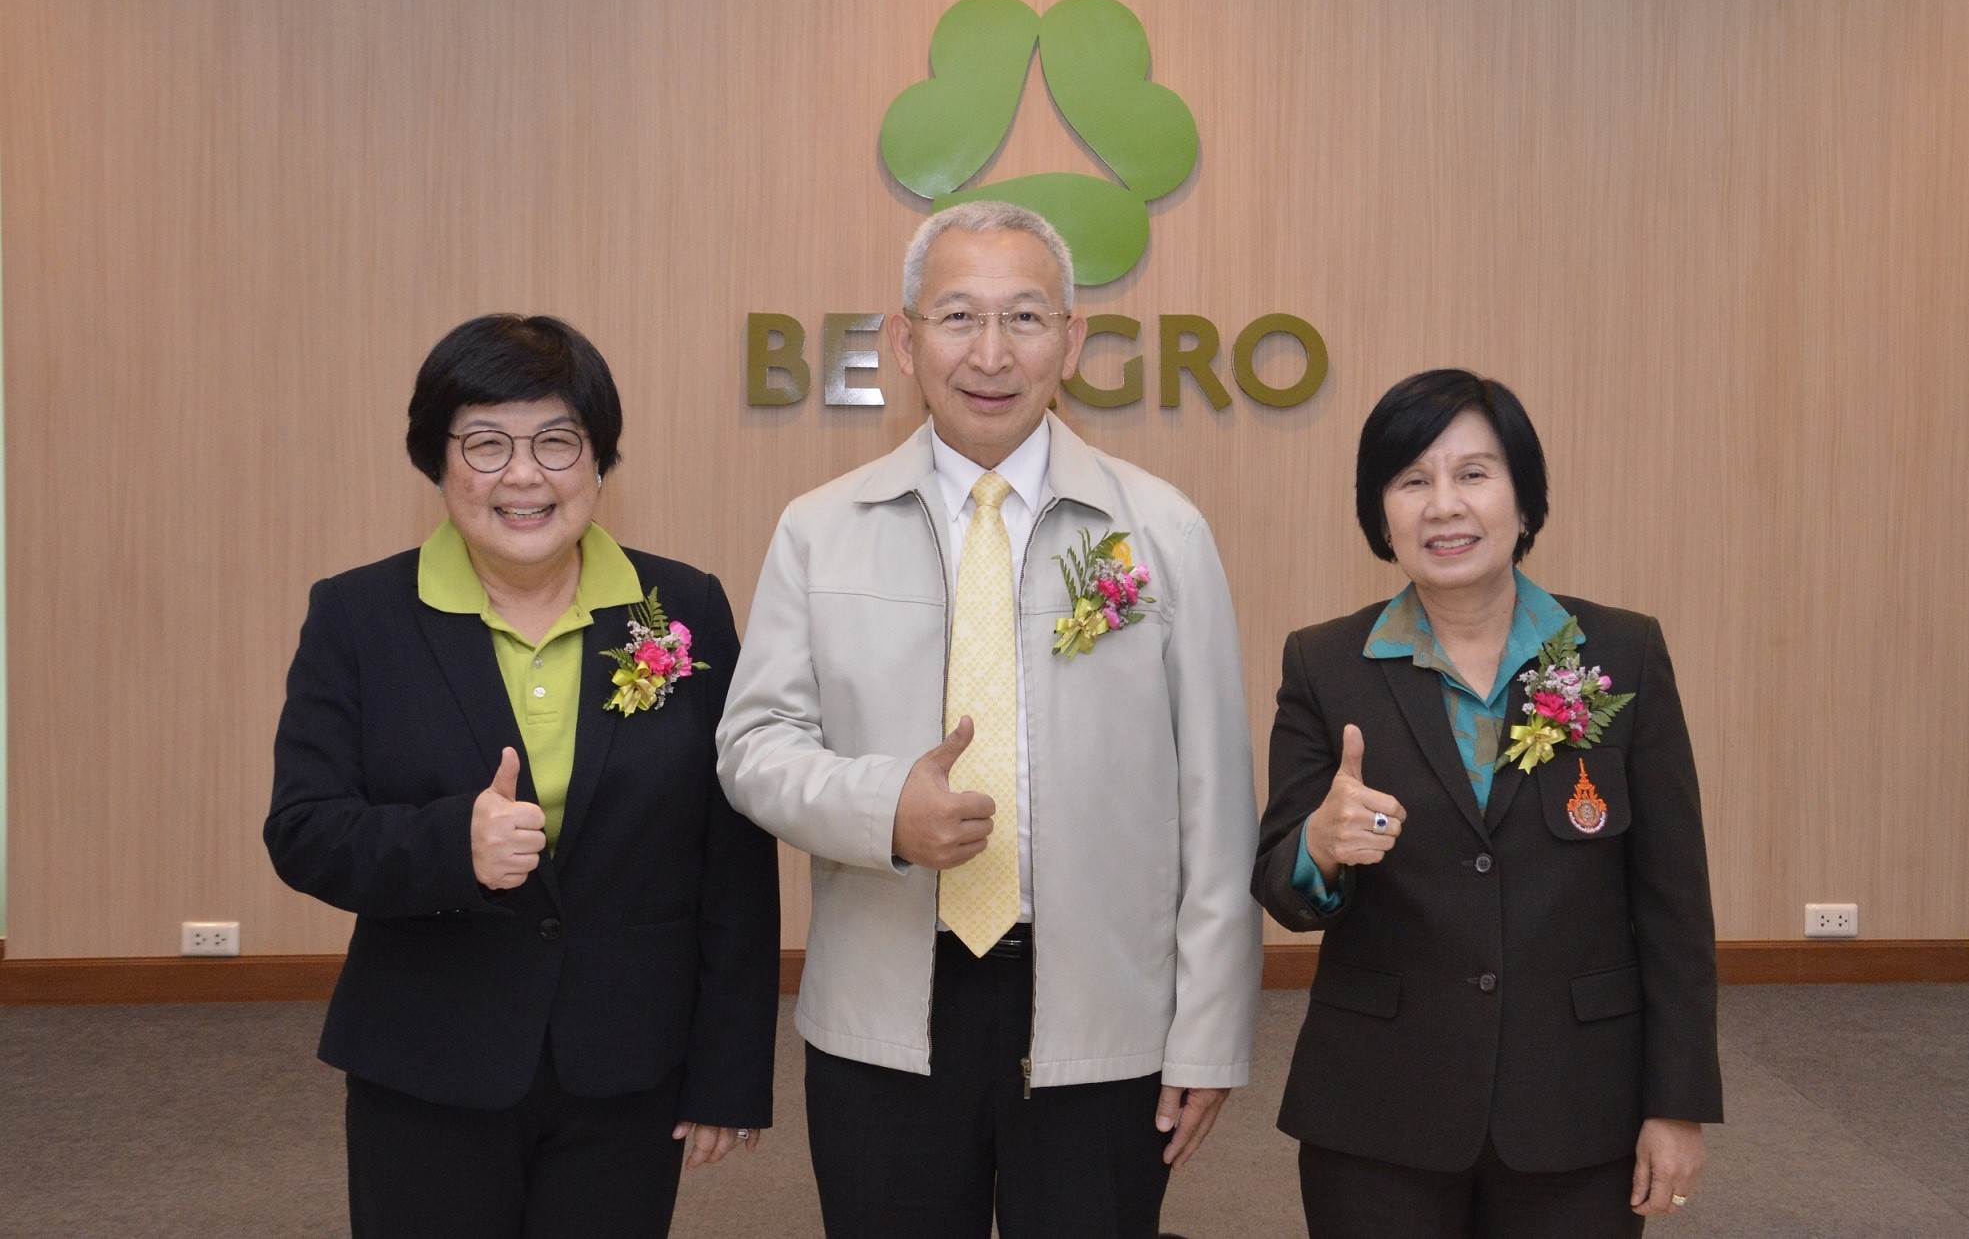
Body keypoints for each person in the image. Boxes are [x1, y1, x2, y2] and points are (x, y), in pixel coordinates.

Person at [717, 201, 1261, 1239]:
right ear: (904, 340)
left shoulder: (1162, 531)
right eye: (959, 316)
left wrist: (1210, 1031)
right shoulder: (818, 531)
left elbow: (1215, 804)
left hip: (1104, 1010)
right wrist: (883, 807)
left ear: (1072, 341)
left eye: (1024, 317)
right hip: (885, 1010)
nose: (991, 353)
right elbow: (752, 747)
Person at [267, 314, 778, 1238]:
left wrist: (728, 1071)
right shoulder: (358, 615)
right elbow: (304, 829)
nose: (524, 475)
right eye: (486, 443)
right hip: (429, 1058)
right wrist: (448, 844)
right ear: (437, 460)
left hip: (628, 1060)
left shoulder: (681, 607)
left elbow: (732, 856)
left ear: (598, 459)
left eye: (556, 441)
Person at [1253, 369, 1721, 1238]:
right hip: (1378, 1109)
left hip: (1578, 1104)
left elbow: (1673, 901)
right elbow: (1282, 886)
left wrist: (1677, 1102)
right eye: (1411, 480)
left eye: (1473, 473)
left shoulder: (1620, 650)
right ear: (1379, 513)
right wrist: (1317, 843)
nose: (1444, 506)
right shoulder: (1324, 663)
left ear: (1524, 497)